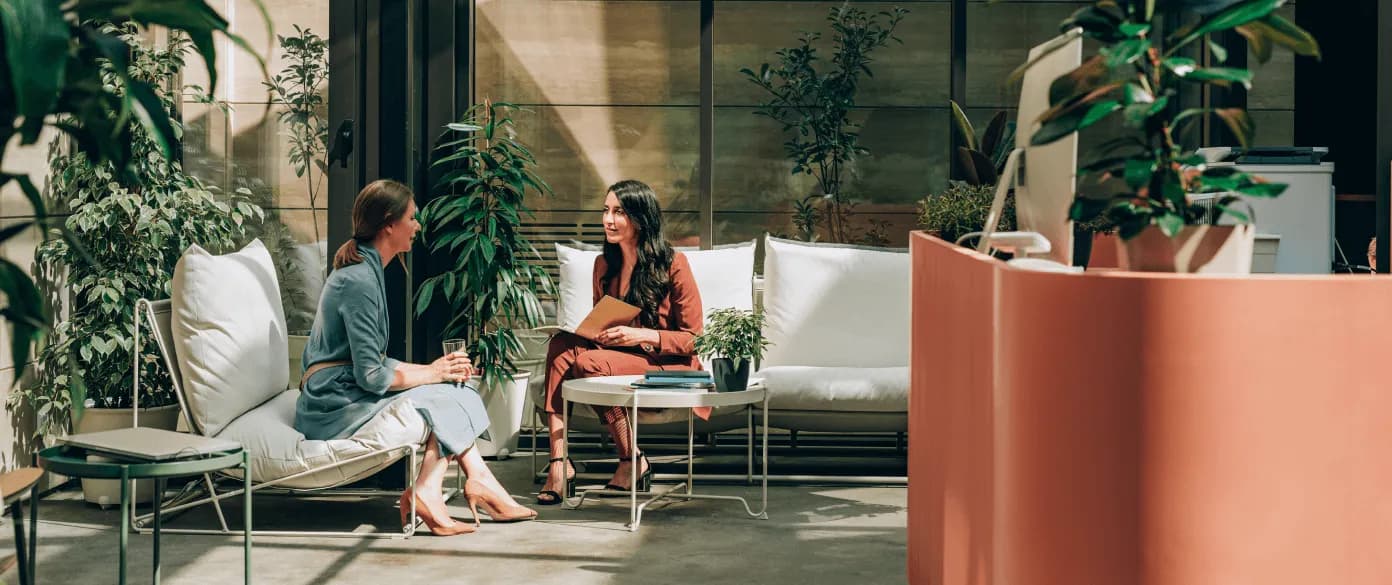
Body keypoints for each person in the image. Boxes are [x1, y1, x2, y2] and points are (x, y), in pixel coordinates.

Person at [294, 179, 536, 536]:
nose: (418, 225)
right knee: (448, 394)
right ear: (389, 224)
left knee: (457, 388)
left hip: (341, 390)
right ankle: (436, 489)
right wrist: (433, 373)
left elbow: (372, 363)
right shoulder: (359, 280)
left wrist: (438, 371)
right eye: (412, 217)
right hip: (332, 405)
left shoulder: (367, 270)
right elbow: (372, 377)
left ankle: (474, 480)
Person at [537, 179, 704, 505]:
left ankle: (630, 460)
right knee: (560, 346)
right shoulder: (604, 265)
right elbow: (607, 324)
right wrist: (598, 333)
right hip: (620, 358)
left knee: (589, 363)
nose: (607, 220)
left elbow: (694, 339)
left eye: (619, 212)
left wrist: (642, 335)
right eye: (605, 210)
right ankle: (559, 462)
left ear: (641, 219)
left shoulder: (674, 263)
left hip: (672, 368)